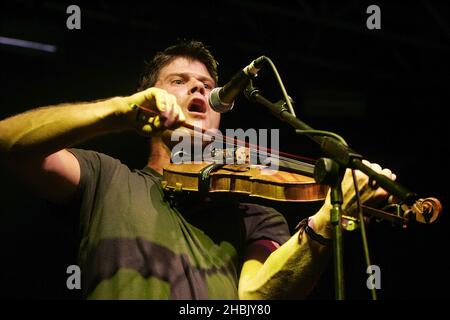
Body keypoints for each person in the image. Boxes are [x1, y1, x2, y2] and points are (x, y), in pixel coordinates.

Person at [0, 40, 395, 299]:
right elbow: (11, 143)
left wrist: (325, 221)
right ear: (150, 96)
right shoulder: (108, 178)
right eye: (179, 81)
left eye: (207, 87)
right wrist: (119, 111)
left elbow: (254, 298)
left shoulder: (252, 213)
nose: (198, 91)